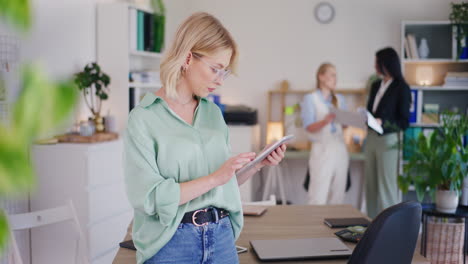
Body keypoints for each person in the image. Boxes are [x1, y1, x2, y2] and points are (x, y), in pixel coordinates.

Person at [123, 12, 287, 264]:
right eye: (215, 69)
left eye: (225, 72)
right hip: (171, 244)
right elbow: (149, 198)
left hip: (221, 238)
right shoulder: (143, 118)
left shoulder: (212, 113)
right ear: (188, 57)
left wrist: (257, 165)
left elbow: (223, 184)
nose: (219, 81)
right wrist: (214, 177)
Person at [365, 47, 411, 219]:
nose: (375, 65)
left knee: (386, 186)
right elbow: (371, 110)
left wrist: (384, 123)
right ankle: (370, 225)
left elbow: (404, 121)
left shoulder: (402, 88)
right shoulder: (376, 85)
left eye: (377, 62)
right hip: (371, 138)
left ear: (386, 63)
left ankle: (388, 228)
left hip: (389, 140)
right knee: (370, 185)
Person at [300, 63, 349, 205]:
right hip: (322, 149)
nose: (335, 78)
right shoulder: (311, 98)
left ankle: (336, 227)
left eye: (336, 75)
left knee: (338, 194)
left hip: (340, 148)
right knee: (318, 194)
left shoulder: (340, 99)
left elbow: (344, 125)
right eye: (332, 74)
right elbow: (308, 127)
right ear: (321, 76)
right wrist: (325, 121)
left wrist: (348, 120)